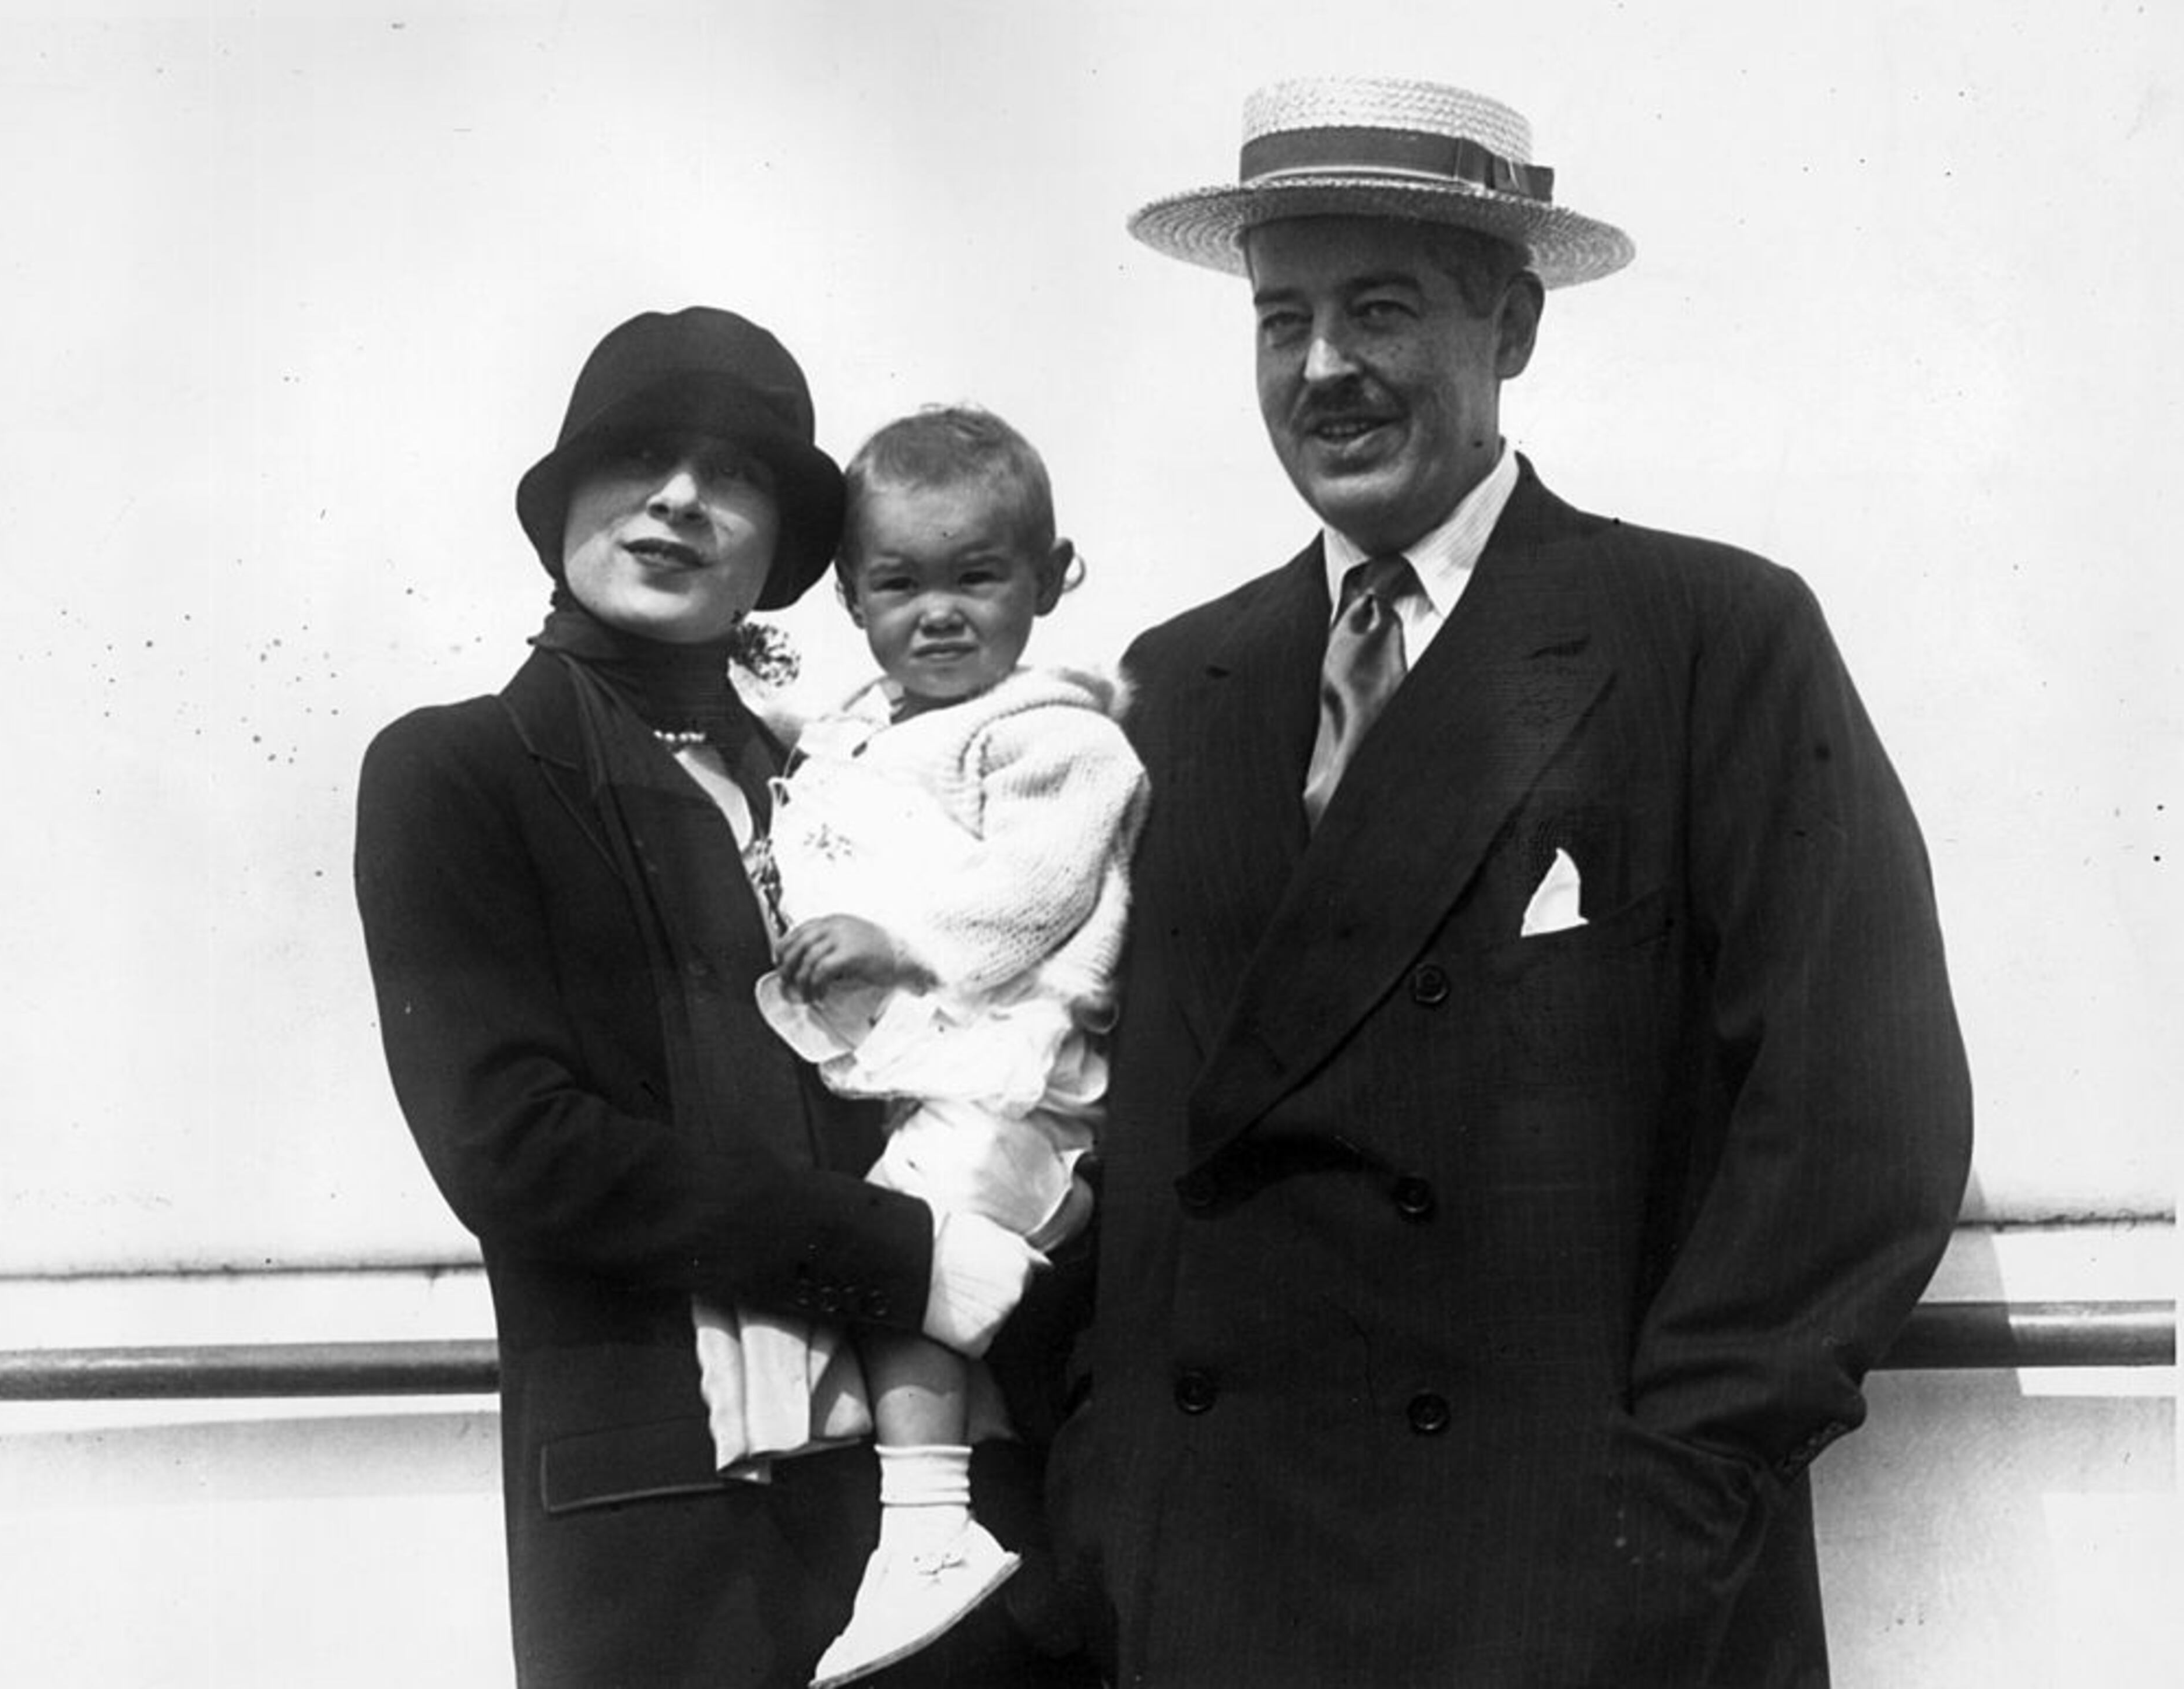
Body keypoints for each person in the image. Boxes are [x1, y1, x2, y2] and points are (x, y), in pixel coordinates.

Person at [1045, 77, 1975, 1688]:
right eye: (1282, 319)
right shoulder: (1179, 679)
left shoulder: (1707, 633)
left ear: (1515, 326)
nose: (1322, 368)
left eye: (1380, 309)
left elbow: (1859, 1112)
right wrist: (1109, 1501)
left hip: (1565, 1597)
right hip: (1217, 1590)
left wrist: (1660, 1512)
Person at [354, 308, 1086, 1688]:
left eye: (735, 473)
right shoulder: (459, 774)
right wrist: (902, 1261)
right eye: (639, 457)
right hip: (671, 1540)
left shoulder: (869, 771)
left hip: (971, 1504)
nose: (682, 498)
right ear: (566, 501)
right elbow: (516, 1146)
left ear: (788, 546)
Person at [749, 407, 1148, 1687]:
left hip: (1020, 1076)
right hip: (942, 1066)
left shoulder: (1057, 734)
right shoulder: (868, 725)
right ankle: (962, 1481)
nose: (938, 615)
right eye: (899, 585)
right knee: (902, 1263)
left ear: (1050, 576)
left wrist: (897, 939)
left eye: (977, 578)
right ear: (851, 599)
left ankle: (926, 1527)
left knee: (904, 1249)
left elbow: (1036, 889)